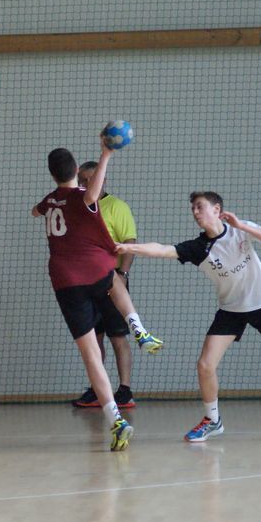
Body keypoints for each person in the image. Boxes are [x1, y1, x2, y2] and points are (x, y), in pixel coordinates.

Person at [117, 191, 261, 442]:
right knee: (205, 365)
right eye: (193, 209)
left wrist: (242, 226)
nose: (195, 212)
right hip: (232, 309)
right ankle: (212, 420)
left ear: (217, 209)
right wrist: (129, 247)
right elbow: (163, 250)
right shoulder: (198, 248)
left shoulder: (239, 230)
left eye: (200, 207)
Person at [31, 138, 162, 451]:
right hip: (93, 269)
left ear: (52, 174)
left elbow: (35, 211)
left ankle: (116, 420)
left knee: (91, 355)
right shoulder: (83, 197)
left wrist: (49, 204)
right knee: (114, 278)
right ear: (77, 170)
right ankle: (139, 329)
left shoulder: (50, 200)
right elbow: (91, 193)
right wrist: (106, 154)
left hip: (65, 280)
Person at [72, 161, 140, 409]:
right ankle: (97, 390)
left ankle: (125, 391)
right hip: (85, 284)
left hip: (111, 282)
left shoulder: (117, 206)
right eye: (81, 180)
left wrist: (123, 273)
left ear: (102, 180)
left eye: (90, 179)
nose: (85, 184)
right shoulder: (77, 207)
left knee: (118, 336)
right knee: (94, 339)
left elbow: (130, 241)